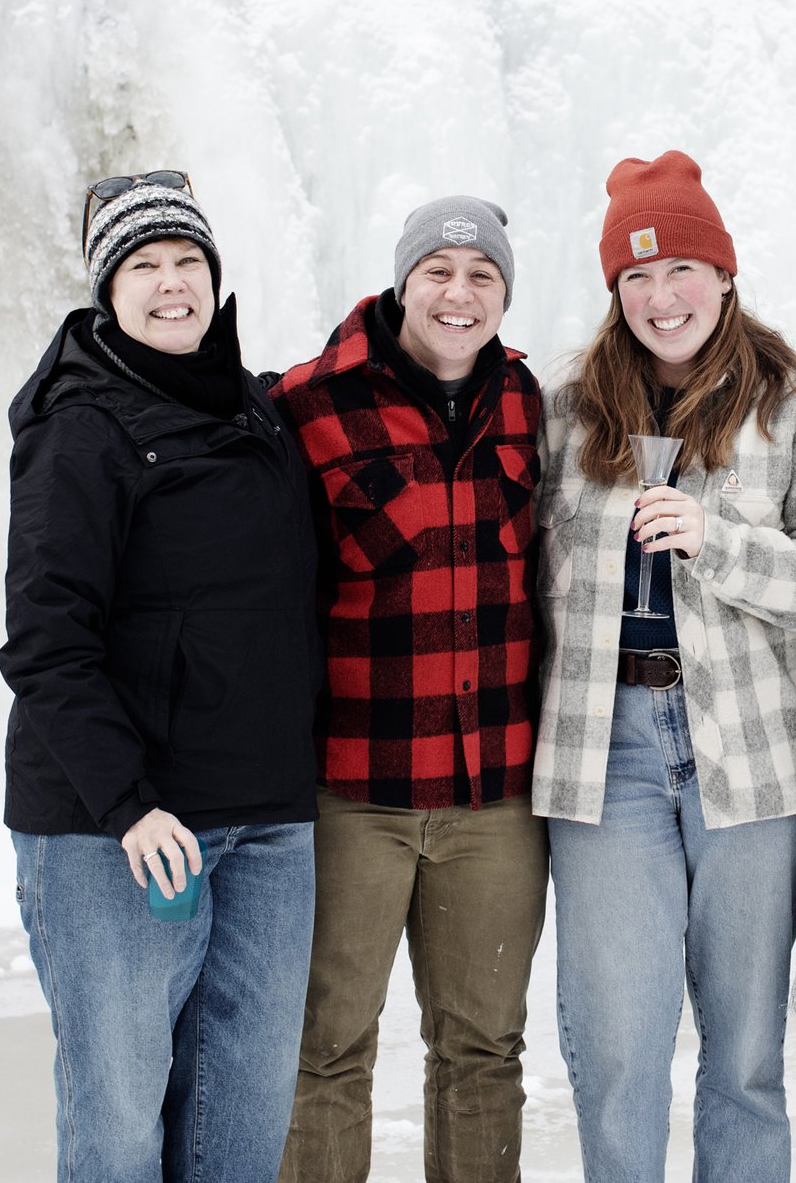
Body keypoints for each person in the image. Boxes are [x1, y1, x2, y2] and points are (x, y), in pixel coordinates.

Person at [533, 151, 796, 1183]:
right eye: (635, 275)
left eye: (680, 266)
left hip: (755, 754)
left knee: (747, 1053)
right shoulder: (565, 411)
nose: (659, 295)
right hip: (604, 755)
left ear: (724, 273)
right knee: (618, 1047)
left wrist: (716, 539)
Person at [0, 171, 324, 1183]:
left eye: (188, 261)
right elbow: (46, 639)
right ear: (108, 289)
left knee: (244, 1107)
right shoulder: (79, 426)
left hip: (266, 816)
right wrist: (128, 803)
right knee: (119, 1112)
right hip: (124, 831)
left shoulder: (258, 409)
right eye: (143, 265)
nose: (171, 283)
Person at [270, 196, 547, 1183]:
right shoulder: (305, 404)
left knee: (482, 1050)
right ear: (402, 280)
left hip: (495, 795)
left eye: (483, 275)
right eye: (439, 270)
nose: (459, 292)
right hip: (353, 789)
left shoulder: (528, 403)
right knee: (324, 1047)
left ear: (505, 292)